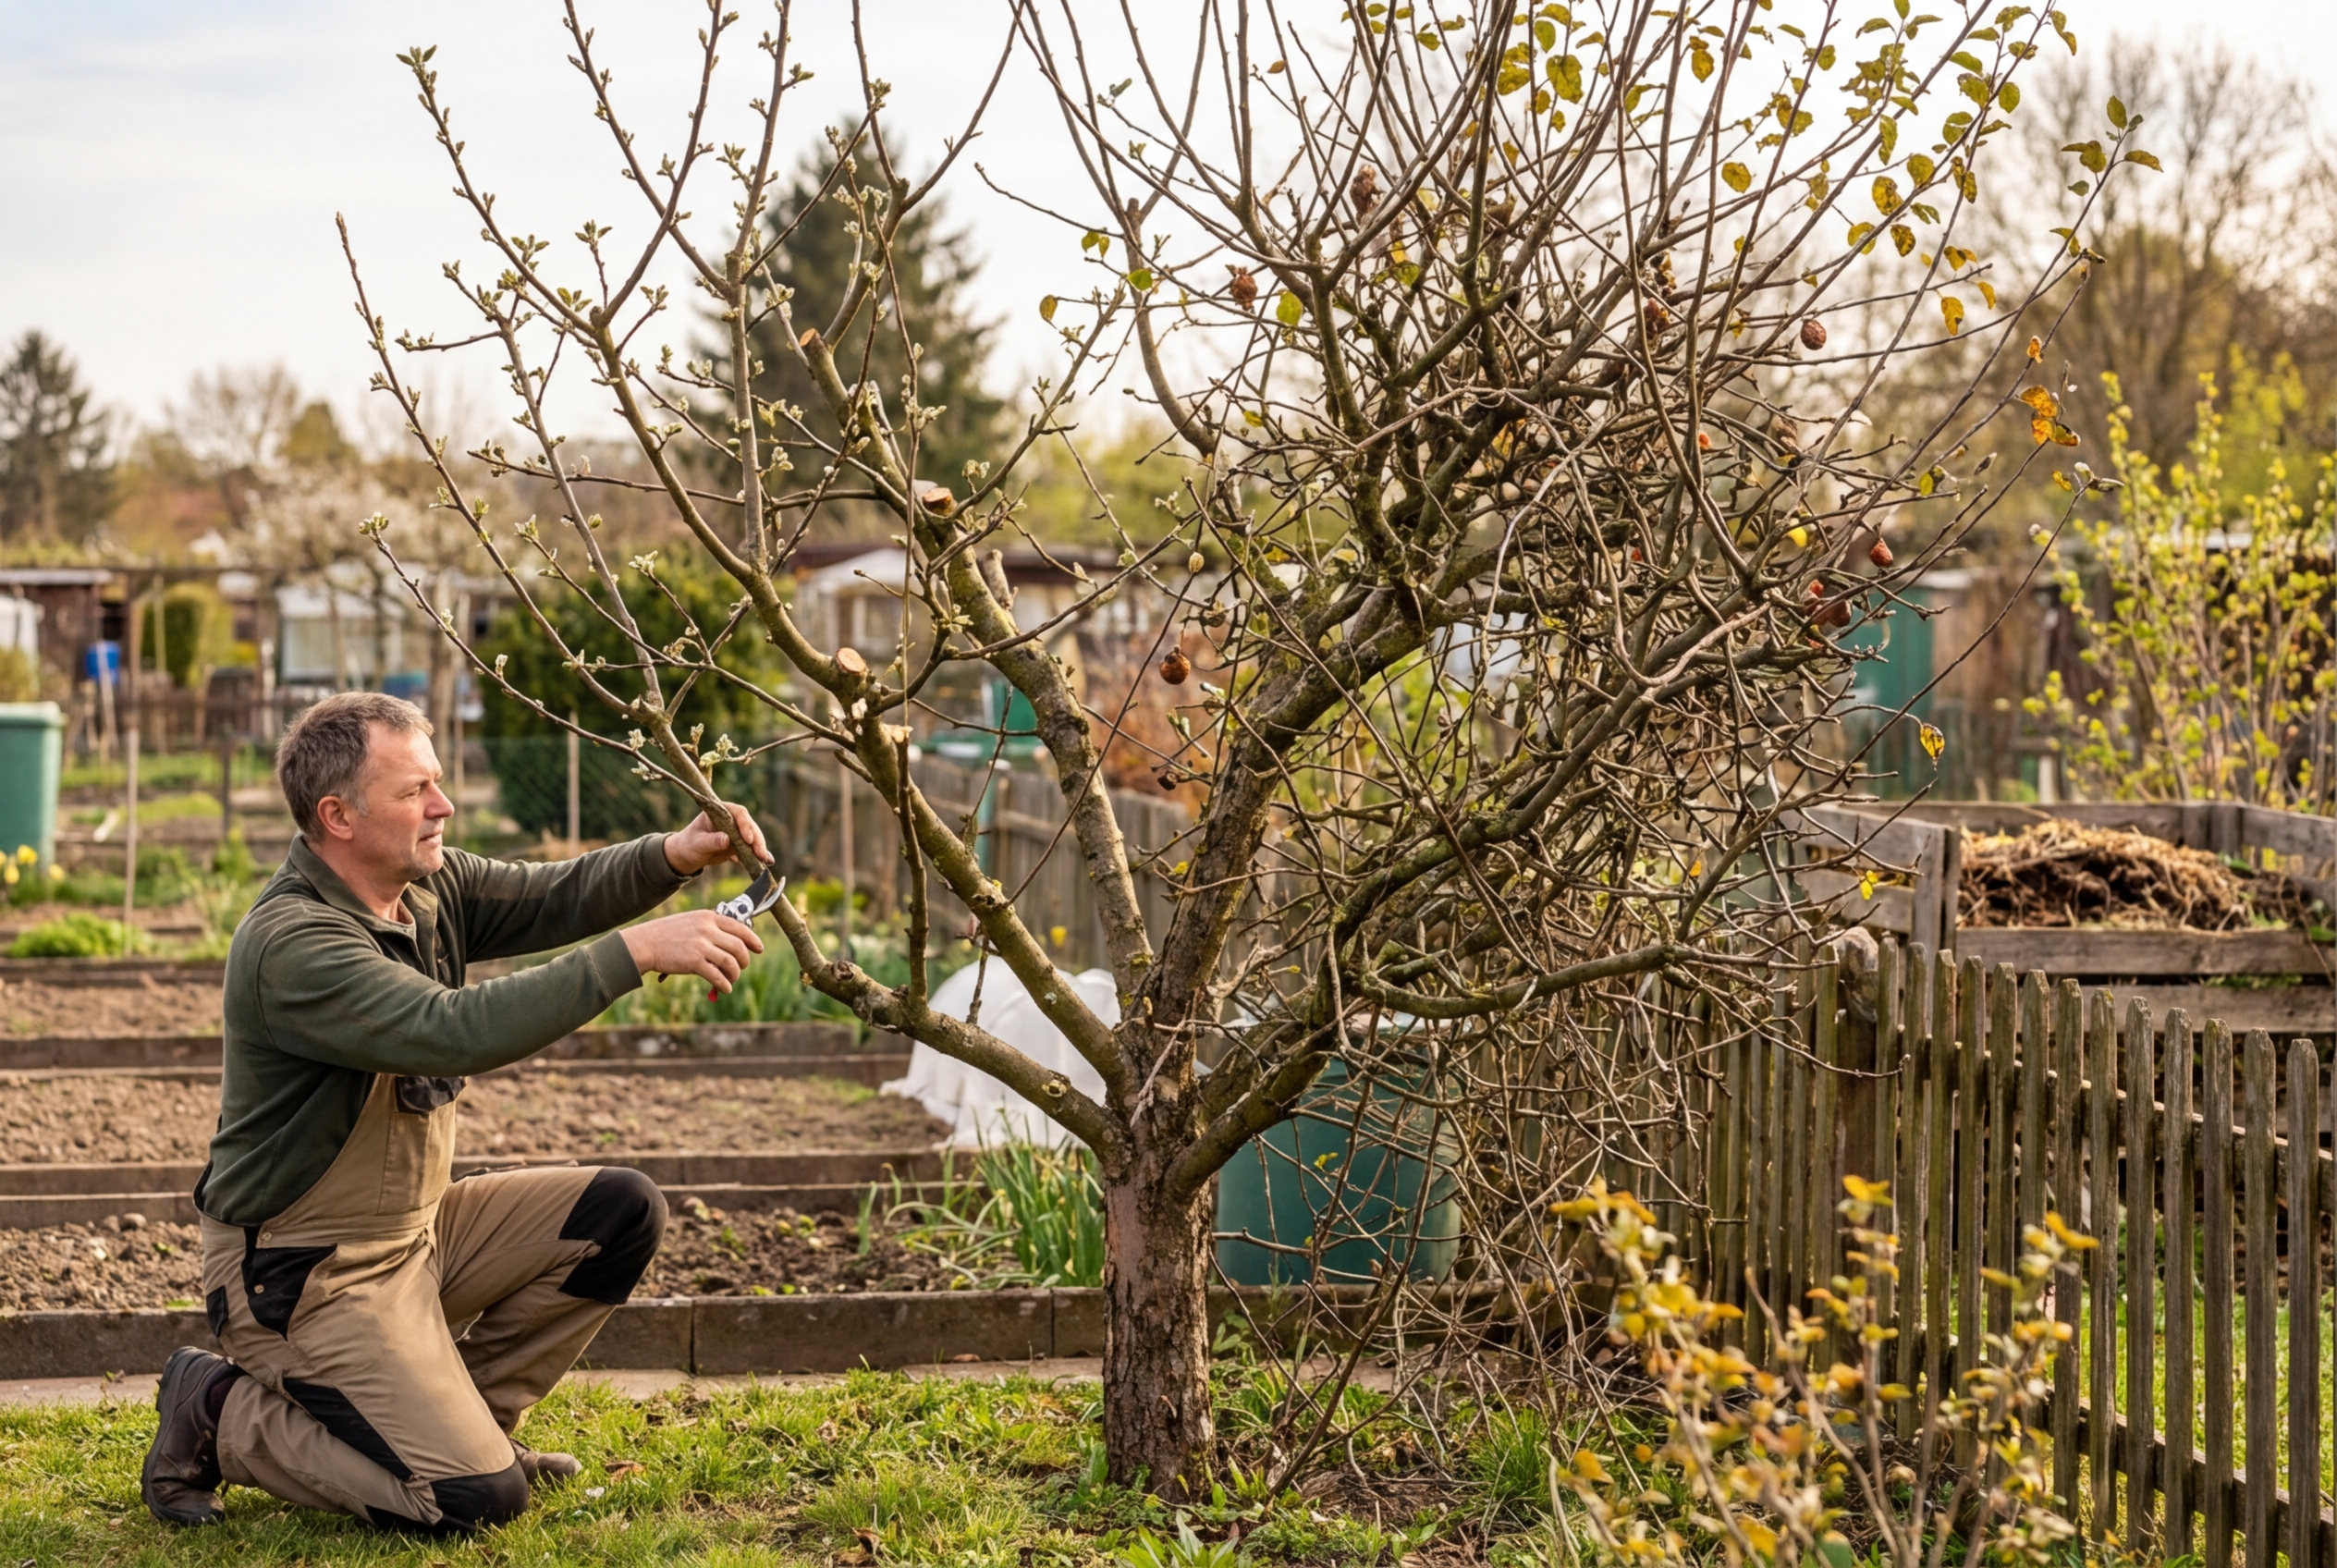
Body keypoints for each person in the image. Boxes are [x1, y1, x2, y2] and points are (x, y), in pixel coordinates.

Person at [141, 692, 770, 1533]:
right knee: (468, 1502)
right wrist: (640, 951)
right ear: (338, 815)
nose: (442, 806)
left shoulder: (427, 889)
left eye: (437, 782)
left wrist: (675, 854)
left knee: (617, 1213)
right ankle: (218, 1411)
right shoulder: (296, 944)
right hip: (302, 1274)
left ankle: (474, 1431)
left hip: (416, 1237)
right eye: (414, 792)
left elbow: (552, 896)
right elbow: (451, 1031)